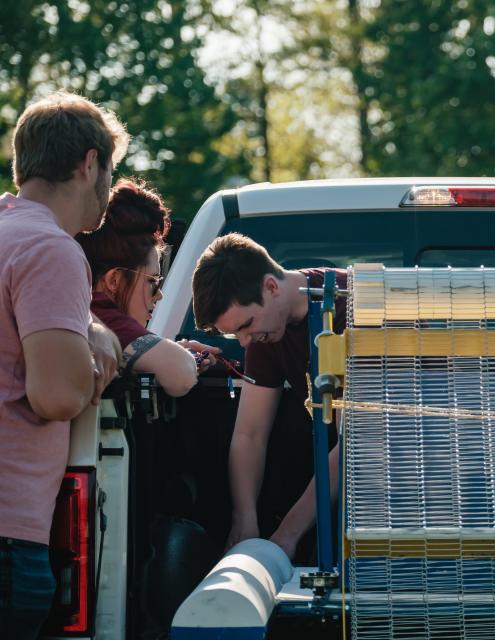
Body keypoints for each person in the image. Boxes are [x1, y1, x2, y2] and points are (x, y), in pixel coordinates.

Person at [0, 92, 127, 639]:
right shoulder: (50, 248)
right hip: (9, 537)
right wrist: (97, 349)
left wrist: (91, 326)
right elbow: (59, 395)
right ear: (90, 163)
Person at [191, 233, 345, 560]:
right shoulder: (266, 332)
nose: (246, 343)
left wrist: (287, 536)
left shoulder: (353, 310)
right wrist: (244, 519)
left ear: (271, 287)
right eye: (237, 334)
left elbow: (356, 442)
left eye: (247, 325)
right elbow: (250, 433)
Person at [76, 178, 218, 396]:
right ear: (114, 280)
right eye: (152, 281)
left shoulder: (84, 308)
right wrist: (183, 358)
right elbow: (180, 374)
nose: (159, 295)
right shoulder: (100, 311)